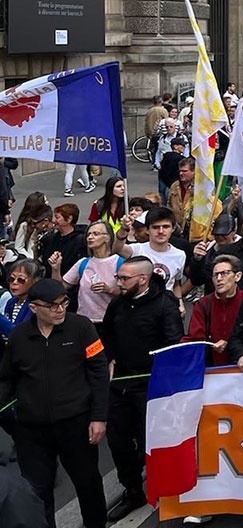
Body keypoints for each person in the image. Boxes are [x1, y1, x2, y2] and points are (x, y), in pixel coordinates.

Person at [0, 278, 109, 528]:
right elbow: (7, 379)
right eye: (52, 305)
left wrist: (99, 417)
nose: (60, 309)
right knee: (37, 490)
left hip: (76, 423)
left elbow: (99, 373)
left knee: (88, 483)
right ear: (34, 307)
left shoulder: (82, 328)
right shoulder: (19, 336)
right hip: (32, 429)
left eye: (63, 302)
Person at [98, 255, 183, 521]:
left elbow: (174, 343)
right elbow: (107, 336)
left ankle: (165, 489)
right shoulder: (117, 304)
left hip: (150, 386)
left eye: (125, 278)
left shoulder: (163, 303)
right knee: (118, 441)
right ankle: (132, 490)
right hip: (120, 384)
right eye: (119, 278)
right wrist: (109, 358)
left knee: (151, 442)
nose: (119, 283)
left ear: (143, 279)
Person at [50, 221, 121, 327]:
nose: (90, 237)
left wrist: (110, 290)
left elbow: (129, 293)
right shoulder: (83, 263)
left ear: (108, 238)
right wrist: (56, 268)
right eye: (88, 234)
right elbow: (59, 288)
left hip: (111, 322)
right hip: (84, 322)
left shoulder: (119, 263)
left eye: (95, 234)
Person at [184, 254, 243, 366]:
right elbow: (196, 338)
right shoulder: (203, 304)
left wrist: (230, 345)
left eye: (224, 274)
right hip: (212, 365)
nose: (219, 279)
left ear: (237, 276)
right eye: (215, 275)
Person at [116, 206, 188, 296]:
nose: (161, 231)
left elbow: (176, 284)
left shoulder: (180, 255)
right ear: (147, 230)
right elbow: (117, 249)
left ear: (173, 229)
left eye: (165, 227)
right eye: (155, 227)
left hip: (165, 306)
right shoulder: (137, 249)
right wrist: (123, 230)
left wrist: (179, 302)